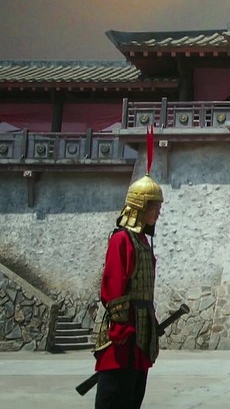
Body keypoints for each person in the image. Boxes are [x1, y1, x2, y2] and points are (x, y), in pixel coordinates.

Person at [93, 151, 164, 408]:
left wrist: (150, 322)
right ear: (140, 206)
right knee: (114, 396)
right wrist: (121, 327)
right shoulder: (122, 239)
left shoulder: (143, 241)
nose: (157, 213)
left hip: (141, 333)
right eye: (154, 207)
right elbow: (113, 286)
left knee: (133, 397)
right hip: (123, 335)